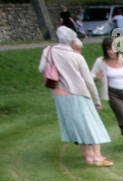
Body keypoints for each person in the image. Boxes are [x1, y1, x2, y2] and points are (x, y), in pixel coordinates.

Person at [39, 26, 113, 166]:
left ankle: (88, 156)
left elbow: (42, 69)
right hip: (78, 93)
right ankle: (97, 157)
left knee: (76, 125)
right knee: (93, 124)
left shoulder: (48, 51)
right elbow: (88, 81)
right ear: (72, 40)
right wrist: (97, 100)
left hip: (58, 94)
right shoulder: (76, 57)